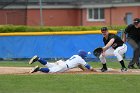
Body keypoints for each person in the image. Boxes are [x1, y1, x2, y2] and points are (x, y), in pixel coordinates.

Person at [29, 50, 96, 73]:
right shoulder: (81, 59)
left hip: (61, 62)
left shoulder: (76, 56)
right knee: (51, 71)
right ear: (83, 55)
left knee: (48, 64)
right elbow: (89, 67)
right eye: (85, 55)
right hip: (64, 66)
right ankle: (38, 69)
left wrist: (83, 69)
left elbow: (78, 65)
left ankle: (38, 58)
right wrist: (94, 70)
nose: (85, 56)